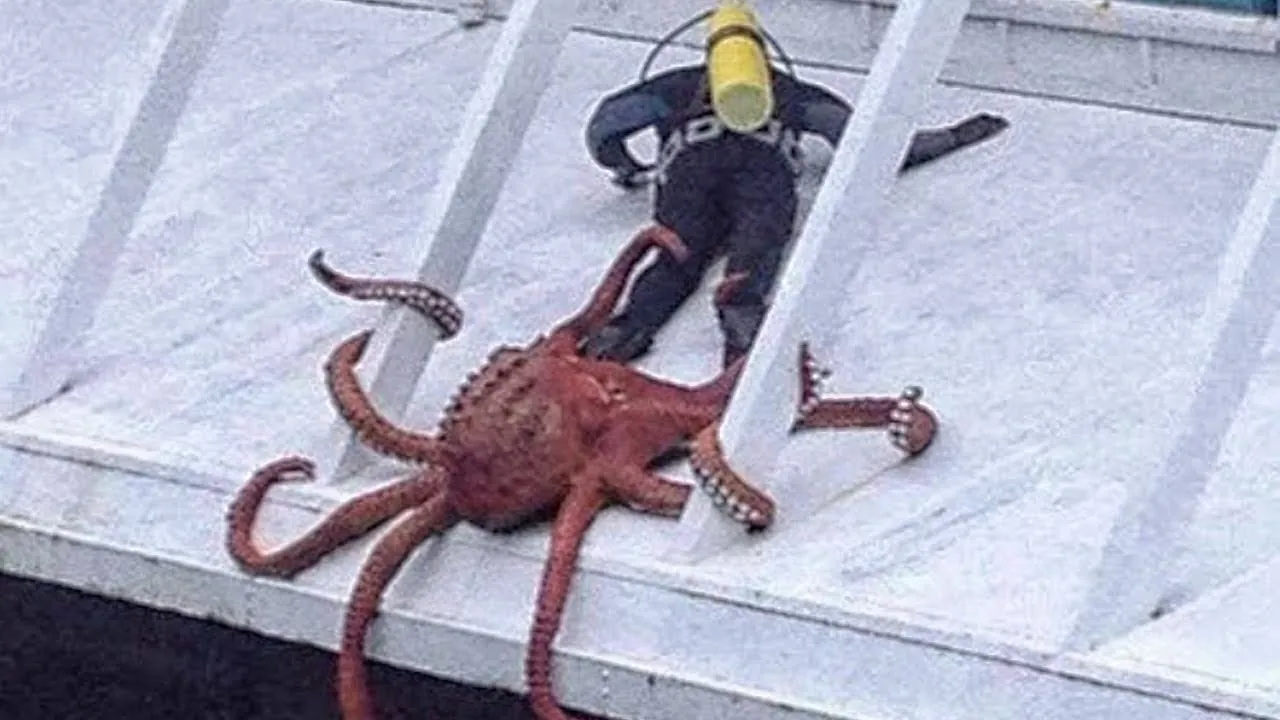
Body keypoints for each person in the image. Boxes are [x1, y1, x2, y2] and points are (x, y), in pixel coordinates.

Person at [578, 47, 1009, 369]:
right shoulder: (791, 91)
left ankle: (625, 328)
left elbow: (605, 127)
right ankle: (742, 306)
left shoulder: (671, 86)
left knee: (676, 255)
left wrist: (625, 167)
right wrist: (956, 136)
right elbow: (869, 144)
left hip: (689, 172)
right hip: (762, 173)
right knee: (758, 242)